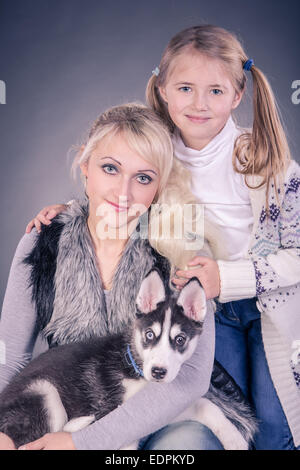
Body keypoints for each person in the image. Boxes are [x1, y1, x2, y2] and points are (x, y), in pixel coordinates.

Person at [30, 25, 300, 450]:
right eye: (186, 88)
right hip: (204, 311)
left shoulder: (269, 163)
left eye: (215, 90)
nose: (198, 103)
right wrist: (71, 211)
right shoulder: (160, 153)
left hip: (271, 306)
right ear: (162, 90)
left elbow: (297, 255)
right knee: (230, 417)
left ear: (238, 94)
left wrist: (227, 279)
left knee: (274, 421)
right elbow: (122, 195)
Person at [0, 102, 220, 450]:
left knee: (190, 445)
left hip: (163, 418)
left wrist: (84, 442)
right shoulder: (44, 241)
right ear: (85, 167)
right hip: (76, 410)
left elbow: (190, 381)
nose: (123, 194)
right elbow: (9, 357)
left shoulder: (184, 250)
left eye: (143, 178)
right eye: (110, 168)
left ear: (159, 187)